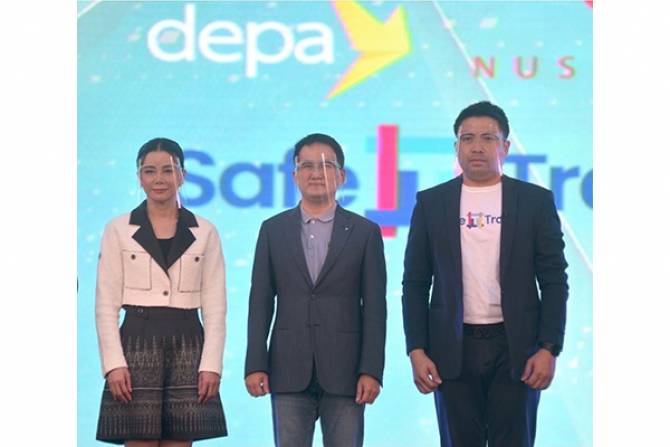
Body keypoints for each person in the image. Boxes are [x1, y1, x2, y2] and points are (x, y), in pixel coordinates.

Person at [401, 101, 569, 447]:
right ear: (456, 147)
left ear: (505, 146)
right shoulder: (431, 203)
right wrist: (416, 349)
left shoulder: (535, 201)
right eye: (468, 138)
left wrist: (549, 347)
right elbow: (415, 283)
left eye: (488, 138)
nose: (477, 147)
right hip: (452, 348)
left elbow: (554, 280)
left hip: (518, 348)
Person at [244, 133, 387, 447]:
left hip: (347, 371)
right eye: (306, 166)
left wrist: (371, 370)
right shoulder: (272, 230)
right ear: (295, 175)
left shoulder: (365, 232)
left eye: (325, 166)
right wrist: (255, 363)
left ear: (342, 175)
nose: (315, 173)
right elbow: (260, 302)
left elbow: (376, 309)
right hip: (287, 367)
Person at [95, 138, 228, 446]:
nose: (159, 179)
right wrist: (113, 364)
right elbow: (105, 305)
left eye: (168, 170)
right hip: (136, 342)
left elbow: (215, 307)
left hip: (188, 343)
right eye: (150, 171)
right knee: (138, 440)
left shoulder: (205, 231)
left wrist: (211, 365)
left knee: (180, 439)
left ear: (182, 175)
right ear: (139, 177)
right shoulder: (118, 229)